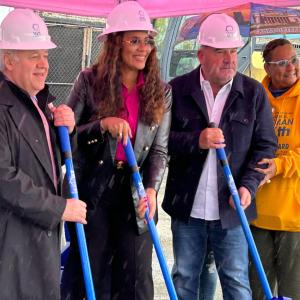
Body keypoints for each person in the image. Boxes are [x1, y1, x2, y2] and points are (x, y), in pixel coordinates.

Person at [162, 13, 278, 300]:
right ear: (201, 54)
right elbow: (160, 143)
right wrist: (196, 140)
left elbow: (265, 146)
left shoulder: (253, 93)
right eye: (220, 51)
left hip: (232, 210)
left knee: (236, 282)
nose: (229, 59)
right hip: (188, 210)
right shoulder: (177, 90)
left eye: (233, 51)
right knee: (185, 279)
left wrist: (249, 186)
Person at [60, 1, 171, 299]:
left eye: (147, 40)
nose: (143, 47)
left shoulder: (162, 91)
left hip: (135, 193)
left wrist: (151, 190)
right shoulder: (88, 80)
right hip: (93, 190)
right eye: (134, 40)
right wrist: (101, 125)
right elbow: (65, 136)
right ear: (114, 44)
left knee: (135, 279)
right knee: (88, 274)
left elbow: (159, 151)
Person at [0, 8, 87, 300]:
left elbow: (54, 161)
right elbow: (4, 179)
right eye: (33, 55)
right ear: (8, 60)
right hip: (10, 248)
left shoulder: (37, 103)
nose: (43, 65)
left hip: (36, 246)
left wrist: (69, 131)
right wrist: (59, 208)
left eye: (45, 55)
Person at [250, 38, 300, 300]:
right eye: (281, 63)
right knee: (259, 291)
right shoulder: (256, 96)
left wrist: (279, 165)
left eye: (293, 59)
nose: (291, 67)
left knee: (292, 291)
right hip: (258, 213)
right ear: (267, 67)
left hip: (294, 217)